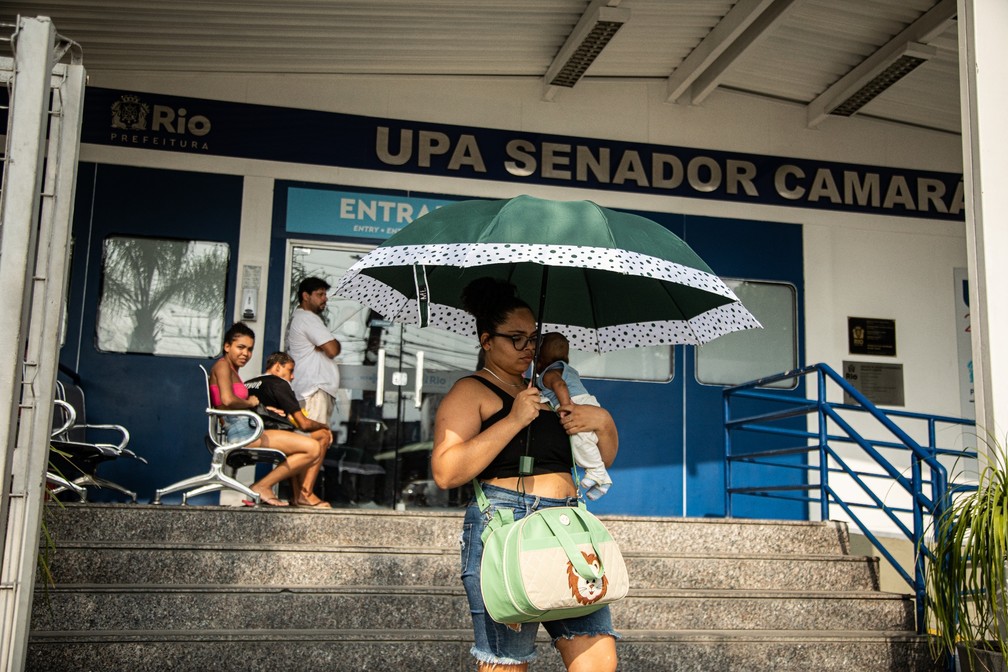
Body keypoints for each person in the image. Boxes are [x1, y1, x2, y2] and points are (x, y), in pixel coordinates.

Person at [432, 278, 620, 672]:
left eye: (532, 338)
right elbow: (447, 472)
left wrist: (602, 423)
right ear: (487, 340)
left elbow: (600, 459)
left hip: (567, 521)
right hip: (505, 521)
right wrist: (514, 419)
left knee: (599, 659)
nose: (528, 348)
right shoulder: (471, 391)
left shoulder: (552, 389)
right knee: (506, 661)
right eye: (515, 338)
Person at [208, 322, 326, 508]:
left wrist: (265, 410)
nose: (245, 353)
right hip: (243, 434)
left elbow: (231, 404)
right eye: (240, 347)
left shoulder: (234, 371)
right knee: (312, 448)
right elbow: (228, 400)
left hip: (247, 428)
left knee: (308, 445)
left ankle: (282, 490)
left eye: (249, 349)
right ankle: (262, 486)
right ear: (227, 346)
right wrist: (251, 402)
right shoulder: (222, 366)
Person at [244, 351, 334, 508]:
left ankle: (299, 495)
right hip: (264, 435)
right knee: (322, 435)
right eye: (290, 370)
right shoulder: (279, 383)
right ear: (278, 367)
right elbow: (303, 423)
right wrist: (324, 425)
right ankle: (303, 493)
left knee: (300, 440)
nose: (292, 377)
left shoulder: (249, 383)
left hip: (250, 433)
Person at [536, 332, 612, 500]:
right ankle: (599, 477)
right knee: (586, 441)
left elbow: (560, 385)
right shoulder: (567, 369)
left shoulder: (549, 374)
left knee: (580, 440)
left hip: (575, 404)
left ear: (540, 361)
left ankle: (598, 473)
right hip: (587, 403)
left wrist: (566, 406)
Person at [286, 277, 341, 426]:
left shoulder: (298, 318)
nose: (325, 298)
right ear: (306, 296)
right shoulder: (307, 318)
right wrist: (331, 343)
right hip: (313, 391)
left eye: (325, 294)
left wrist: (323, 344)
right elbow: (332, 350)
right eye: (320, 294)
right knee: (315, 440)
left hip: (307, 389)